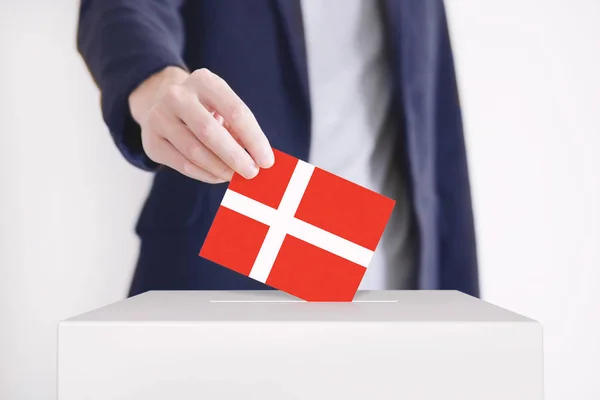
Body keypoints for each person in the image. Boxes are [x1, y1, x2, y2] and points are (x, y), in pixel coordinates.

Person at [76, 0, 479, 297]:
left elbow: (435, 115)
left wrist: (461, 294)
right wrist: (157, 81)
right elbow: (122, 8)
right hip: (236, 253)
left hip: (391, 271)